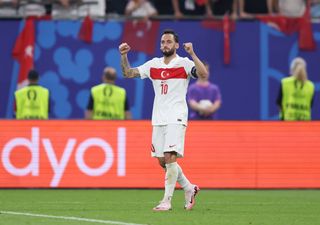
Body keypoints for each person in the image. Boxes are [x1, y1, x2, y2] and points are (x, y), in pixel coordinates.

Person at [119, 29, 208, 211]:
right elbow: (128, 73)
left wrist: (192, 53)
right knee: (163, 161)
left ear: (176, 45)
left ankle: (166, 201)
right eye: (162, 42)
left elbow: (203, 74)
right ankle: (189, 188)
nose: (165, 45)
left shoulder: (184, 63)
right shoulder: (154, 65)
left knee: (170, 157)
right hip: (158, 118)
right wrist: (123, 56)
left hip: (176, 116)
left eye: (168, 42)